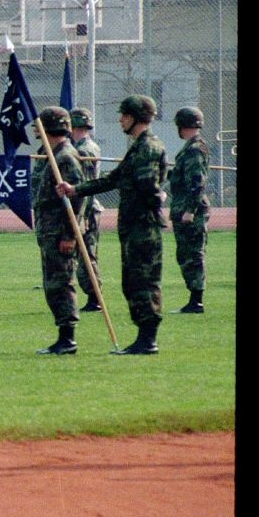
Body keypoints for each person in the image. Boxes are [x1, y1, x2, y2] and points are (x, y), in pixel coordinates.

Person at [57, 95, 168, 354]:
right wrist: (75, 189)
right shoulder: (137, 147)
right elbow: (112, 180)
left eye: (124, 115)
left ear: (136, 118)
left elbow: (149, 187)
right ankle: (143, 336)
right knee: (131, 281)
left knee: (144, 282)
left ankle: (148, 339)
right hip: (132, 227)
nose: (120, 119)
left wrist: (157, 204)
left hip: (143, 227)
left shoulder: (148, 148)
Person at [31, 107, 86, 355]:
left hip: (60, 233)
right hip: (49, 231)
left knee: (61, 283)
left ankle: (68, 338)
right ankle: (63, 337)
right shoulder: (50, 154)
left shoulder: (65, 157)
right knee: (52, 284)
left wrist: (69, 235)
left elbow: (76, 198)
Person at [167, 106, 211, 314]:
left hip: (189, 209)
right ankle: (194, 298)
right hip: (182, 206)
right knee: (185, 254)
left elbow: (197, 182)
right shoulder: (191, 147)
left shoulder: (195, 149)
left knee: (193, 254)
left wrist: (190, 210)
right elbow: (181, 177)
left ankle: (196, 301)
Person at [69, 108, 105, 312]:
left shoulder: (85, 150)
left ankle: (95, 297)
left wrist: (80, 215)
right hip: (84, 208)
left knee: (86, 256)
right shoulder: (81, 146)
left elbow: (87, 185)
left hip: (87, 210)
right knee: (83, 255)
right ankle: (93, 296)